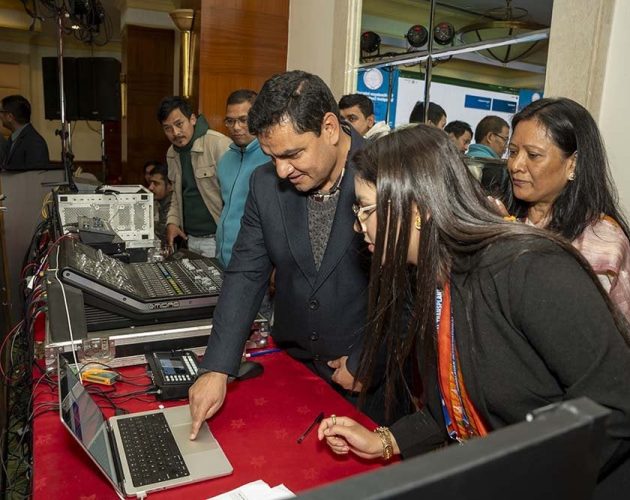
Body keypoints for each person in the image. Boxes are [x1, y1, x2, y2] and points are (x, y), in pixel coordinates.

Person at [317, 125, 630, 495]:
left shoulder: (531, 269)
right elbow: (450, 407)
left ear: (418, 208)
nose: (358, 225)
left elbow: (616, 405)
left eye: (366, 209)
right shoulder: (431, 278)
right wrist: (385, 441)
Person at [188, 70, 374, 439]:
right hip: (295, 366)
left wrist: (369, 358)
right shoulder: (264, 183)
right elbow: (245, 274)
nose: (282, 170)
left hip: (365, 377)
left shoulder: (385, 171)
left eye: (292, 154)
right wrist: (217, 367)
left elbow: (410, 288)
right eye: (272, 156)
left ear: (330, 128)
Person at [507, 97, 630, 319]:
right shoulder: (504, 218)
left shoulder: (602, 241)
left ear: (573, 164)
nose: (515, 165)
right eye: (513, 152)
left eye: (533, 155)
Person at [158, 96, 231, 257]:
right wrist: (172, 221)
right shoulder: (172, 153)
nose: (175, 133)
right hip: (190, 239)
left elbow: (236, 197)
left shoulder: (218, 144)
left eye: (179, 124)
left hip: (219, 239)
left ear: (192, 119)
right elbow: (177, 196)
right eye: (167, 128)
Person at [216, 89, 269, 268]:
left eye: (243, 120)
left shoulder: (272, 159)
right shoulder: (225, 160)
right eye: (230, 121)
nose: (236, 127)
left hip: (256, 267)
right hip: (223, 262)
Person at [0, 95, 49, 170]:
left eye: (1, 111)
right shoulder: (12, 139)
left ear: (10, 117)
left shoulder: (34, 142)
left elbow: (36, 178)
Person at [147, 162, 173, 245]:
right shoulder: (155, 203)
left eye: (156, 183)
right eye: (150, 183)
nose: (150, 187)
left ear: (170, 185)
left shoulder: (174, 207)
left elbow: (162, 236)